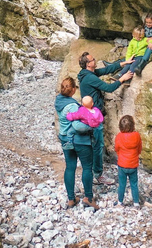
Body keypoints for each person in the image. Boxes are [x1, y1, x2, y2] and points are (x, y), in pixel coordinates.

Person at [77, 52, 133, 185]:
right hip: (94, 117)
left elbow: (106, 69)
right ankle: (98, 175)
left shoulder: (87, 74)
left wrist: (122, 63)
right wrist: (122, 79)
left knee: (94, 144)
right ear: (88, 64)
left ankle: (91, 170)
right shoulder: (90, 78)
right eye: (92, 59)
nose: (95, 60)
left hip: (89, 114)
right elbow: (108, 88)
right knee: (98, 145)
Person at [55, 77, 100, 210]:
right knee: (87, 167)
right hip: (79, 140)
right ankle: (88, 198)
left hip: (65, 138)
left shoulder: (59, 101)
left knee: (70, 166)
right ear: (73, 90)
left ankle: (71, 198)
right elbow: (78, 126)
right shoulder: (73, 106)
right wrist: (92, 126)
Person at [114, 115, 142, 208]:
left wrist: (120, 155)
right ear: (133, 125)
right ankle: (136, 203)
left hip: (122, 164)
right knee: (134, 184)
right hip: (133, 164)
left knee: (122, 184)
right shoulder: (137, 135)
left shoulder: (119, 136)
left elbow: (117, 148)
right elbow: (139, 148)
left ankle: (120, 202)